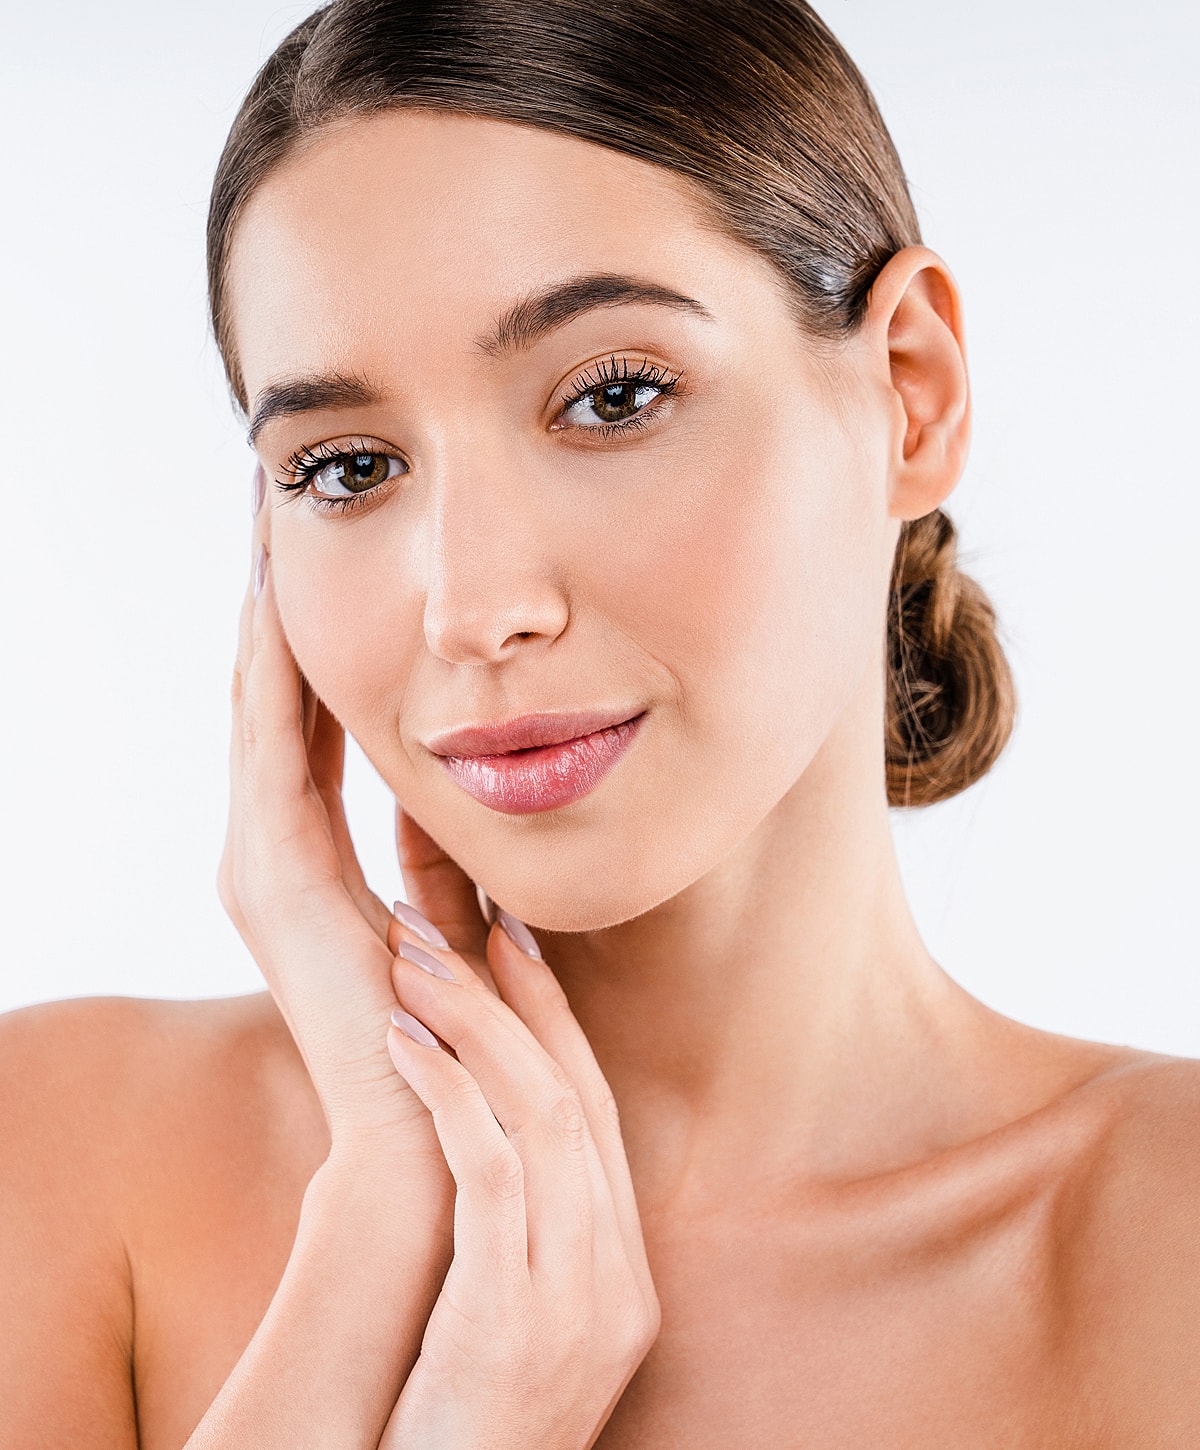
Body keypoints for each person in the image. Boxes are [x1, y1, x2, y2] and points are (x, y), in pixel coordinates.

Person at [3, 1, 1197, 1444]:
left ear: (911, 394)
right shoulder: (57, 1157)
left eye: (614, 397)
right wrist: (380, 1232)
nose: (474, 606)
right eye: (347, 467)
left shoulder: (1163, 1243)